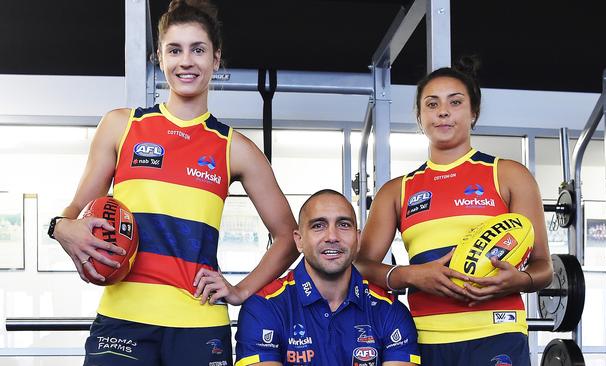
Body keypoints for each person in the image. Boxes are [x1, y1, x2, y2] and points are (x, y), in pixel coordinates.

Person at [49, 1, 299, 365]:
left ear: (215, 59)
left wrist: (240, 289)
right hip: (123, 320)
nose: (186, 61)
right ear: (159, 58)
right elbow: (75, 211)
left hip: (198, 323)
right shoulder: (122, 125)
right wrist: (61, 228)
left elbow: (289, 236)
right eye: (175, 49)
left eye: (198, 50)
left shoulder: (236, 149)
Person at [354, 58, 553, 365]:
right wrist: (410, 275)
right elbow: (361, 266)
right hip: (424, 337)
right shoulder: (397, 190)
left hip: (497, 332)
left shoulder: (509, 175)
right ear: (420, 118)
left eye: (455, 102)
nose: (443, 111)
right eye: (431, 104)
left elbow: (544, 267)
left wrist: (520, 281)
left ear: (473, 113)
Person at [235, 189, 421, 366]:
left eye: (343, 225)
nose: (332, 236)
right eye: (318, 226)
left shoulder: (391, 311)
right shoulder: (263, 307)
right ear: (299, 240)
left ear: (357, 239)